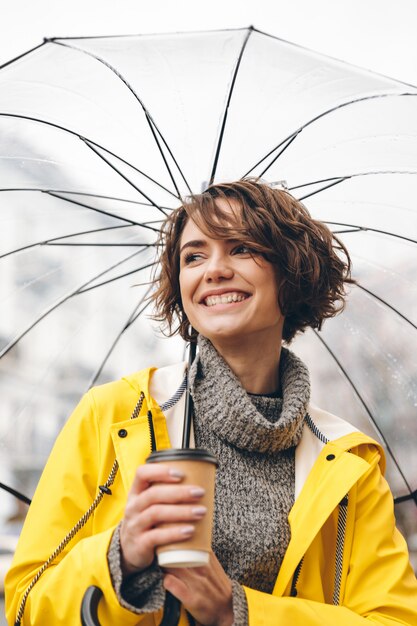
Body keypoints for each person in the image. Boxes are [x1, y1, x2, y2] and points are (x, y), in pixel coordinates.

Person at [5, 179, 417, 625]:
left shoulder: (348, 459)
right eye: (194, 256)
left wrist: (236, 611)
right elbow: (27, 603)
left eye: (241, 248)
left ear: (292, 271)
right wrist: (119, 555)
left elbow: (392, 620)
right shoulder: (114, 414)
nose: (213, 270)